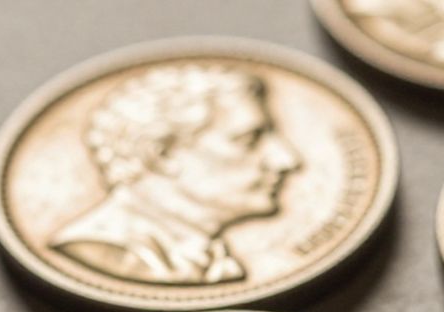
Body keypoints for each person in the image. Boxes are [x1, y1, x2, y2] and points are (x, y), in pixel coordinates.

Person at [51, 65, 302, 285]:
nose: (286, 160)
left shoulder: (212, 259)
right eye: (249, 140)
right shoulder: (99, 249)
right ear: (163, 156)